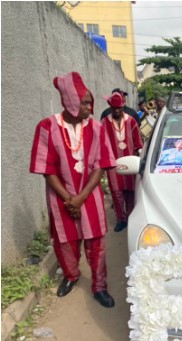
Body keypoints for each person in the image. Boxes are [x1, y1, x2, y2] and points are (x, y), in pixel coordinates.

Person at [30, 72, 117, 308]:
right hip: (61, 198)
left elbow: (100, 165)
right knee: (65, 242)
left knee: (96, 244)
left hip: (89, 196)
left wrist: (81, 198)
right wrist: (70, 199)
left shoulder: (97, 128)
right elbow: (47, 169)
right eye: (85, 102)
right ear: (69, 101)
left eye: (90, 102)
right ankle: (71, 276)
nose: (91, 106)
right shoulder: (47, 127)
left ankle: (99, 287)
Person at [101, 91, 143, 233]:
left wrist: (138, 159)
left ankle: (131, 218)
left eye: (119, 108)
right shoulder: (105, 122)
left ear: (123, 107)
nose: (117, 111)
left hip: (130, 161)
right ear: (111, 107)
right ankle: (121, 219)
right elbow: (101, 143)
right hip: (113, 163)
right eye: (114, 108)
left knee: (130, 191)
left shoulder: (131, 121)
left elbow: (138, 143)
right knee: (116, 192)